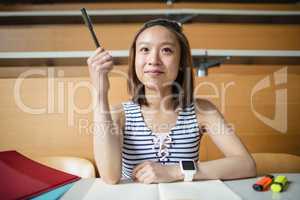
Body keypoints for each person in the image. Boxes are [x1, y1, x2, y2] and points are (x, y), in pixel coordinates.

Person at [87, 18, 256, 184]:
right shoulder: (119, 114)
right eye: (145, 49)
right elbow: (110, 177)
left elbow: (246, 165)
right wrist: (100, 93)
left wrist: (175, 171)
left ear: (181, 62)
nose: (153, 60)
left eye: (166, 50)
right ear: (134, 60)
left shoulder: (203, 110)